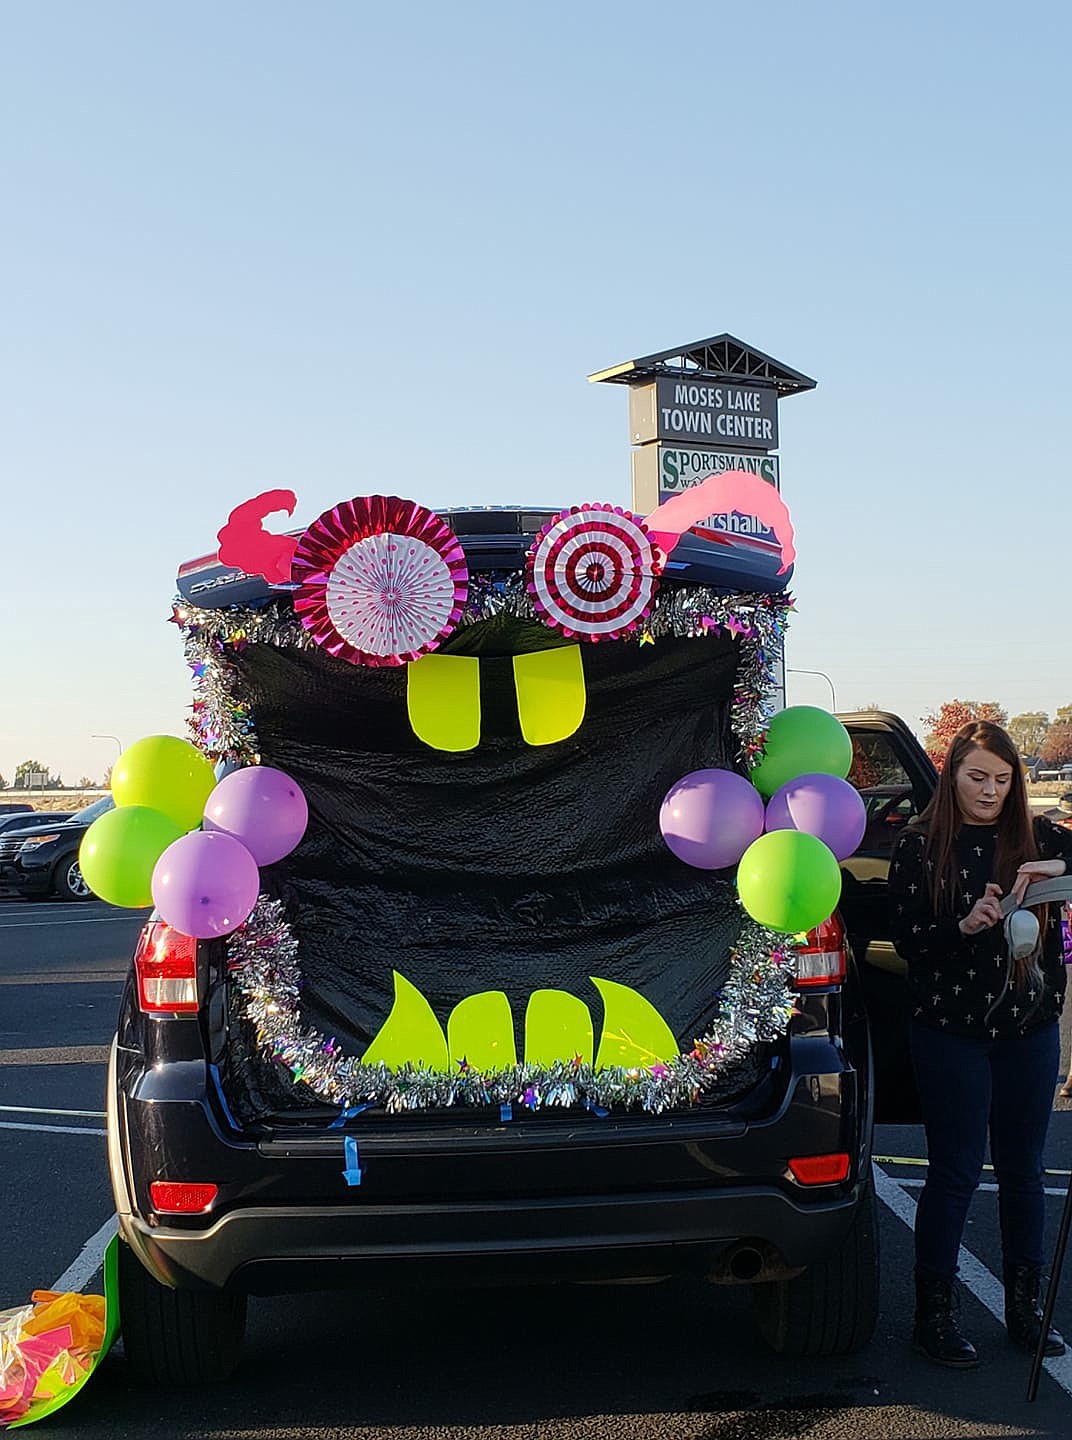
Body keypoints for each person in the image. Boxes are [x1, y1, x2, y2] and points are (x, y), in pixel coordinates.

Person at [888, 720, 1072, 1367]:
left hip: (1030, 1029)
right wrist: (963, 925)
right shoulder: (918, 845)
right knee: (957, 1169)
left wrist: (1059, 866)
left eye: (1002, 779)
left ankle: (1026, 1309)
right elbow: (907, 940)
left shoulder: (1039, 834)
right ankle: (933, 1315)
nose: (990, 791)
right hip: (950, 1029)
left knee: (1024, 1168)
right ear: (952, 773)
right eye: (977, 778)